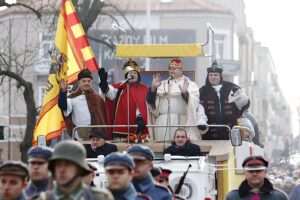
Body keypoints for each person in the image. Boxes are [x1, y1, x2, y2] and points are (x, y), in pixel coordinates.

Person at [147, 58, 207, 141]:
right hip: (162, 123)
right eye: (170, 69)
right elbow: (151, 103)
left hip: (181, 121)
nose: (171, 71)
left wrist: (185, 93)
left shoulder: (190, 84)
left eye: (174, 69)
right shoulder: (162, 84)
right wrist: (153, 89)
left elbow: (194, 103)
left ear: (181, 70)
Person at [33, 140, 113, 200]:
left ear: (79, 168)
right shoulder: (43, 198)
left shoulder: (100, 198)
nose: (61, 169)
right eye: (58, 165)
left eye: (67, 165)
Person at [199, 59, 250, 140]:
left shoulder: (230, 87)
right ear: (208, 76)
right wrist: (185, 94)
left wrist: (238, 95)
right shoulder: (202, 91)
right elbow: (193, 104)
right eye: (211, 75)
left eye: (215, 75)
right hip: (210, 136)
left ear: (220, 76)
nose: (213, 77)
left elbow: (244, 104)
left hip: (231, 135)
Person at [99, 60, 149, 140]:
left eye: (135, 73)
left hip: (137, 128)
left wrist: (141, 118)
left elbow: (145, 107)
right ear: (126, 76)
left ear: (138, 76)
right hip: (120, 129)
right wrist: (103, 83)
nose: (132, 74)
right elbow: (109, 93)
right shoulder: (120, 88)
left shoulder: (144, 90)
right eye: (130, 73)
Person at [58, 68, 107, 139]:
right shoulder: (73, 98)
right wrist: (63, 91)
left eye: (89, 81)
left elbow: (105, 116)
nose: (86, 83)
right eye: (84, 81)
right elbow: (63, 106)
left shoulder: (98, 98)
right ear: (79, 83)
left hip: (98, 134)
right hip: (81, 133)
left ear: (91, 82)